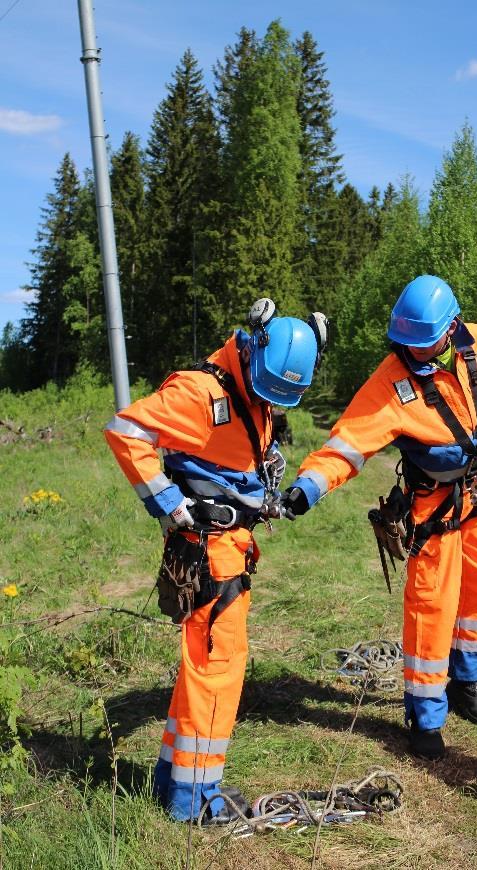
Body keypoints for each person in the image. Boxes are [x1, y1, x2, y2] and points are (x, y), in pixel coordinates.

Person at [281, 275, 477, 760]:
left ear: (452, 327)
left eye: (423, 344)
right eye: (407, 344)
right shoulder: (389, 382)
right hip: (431, 506)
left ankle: (468, 681)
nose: (414, 353)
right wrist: (308, 487)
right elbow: (347, 443)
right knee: (431, 606)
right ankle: (425, 717)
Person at [104, 299, 326, 822]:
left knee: (204, 669)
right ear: (252, 349)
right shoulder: (198, 392)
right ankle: (196, 800)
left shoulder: (257, 384)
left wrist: (263, 462)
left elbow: (235, 444)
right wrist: (166, 501)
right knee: (217, 668)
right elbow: (126, 430)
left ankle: (173, 778)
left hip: (232, 545)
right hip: (207, 547)